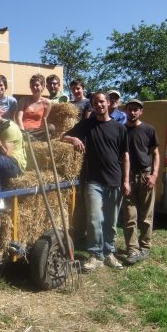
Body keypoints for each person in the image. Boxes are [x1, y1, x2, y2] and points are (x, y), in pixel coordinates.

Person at [62, 91, 130, 272]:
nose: (99, 105)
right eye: (95, 103)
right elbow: (63, 137)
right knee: (94, 218)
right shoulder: (87, 125)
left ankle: (109, 253)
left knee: (111, 220)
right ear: (92, 106)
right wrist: (75, 138)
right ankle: (95, 255)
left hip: (114, 180)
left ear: (108, 103)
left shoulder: (119, 128)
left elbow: (125, 156)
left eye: (101, 102)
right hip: (93, 180)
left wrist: (126, 181)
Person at [122, 99, 159, 265]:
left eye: (136, 110)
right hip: (128, 178)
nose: (132, 112)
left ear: (141, 112)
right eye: (130, 109)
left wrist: (154, 175)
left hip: (146, 177)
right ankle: (132, 249)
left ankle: (145, 247)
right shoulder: (121, 130)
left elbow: (156, 154)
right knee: (130, 216)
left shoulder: (149, 129)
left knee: (146, 216)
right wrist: (124, 180)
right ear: (126, 111)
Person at [15, 73, 52, 140]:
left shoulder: (47, 103)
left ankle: (32, 138)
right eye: (32, 86)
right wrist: (23, 132)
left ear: (43, 86)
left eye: (37, 85)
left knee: (51, 127)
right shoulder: (23, 100)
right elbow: (18, 118)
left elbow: (44, 120)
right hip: (25, 130)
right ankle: (31, 138)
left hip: (38, 130)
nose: (34, 87)